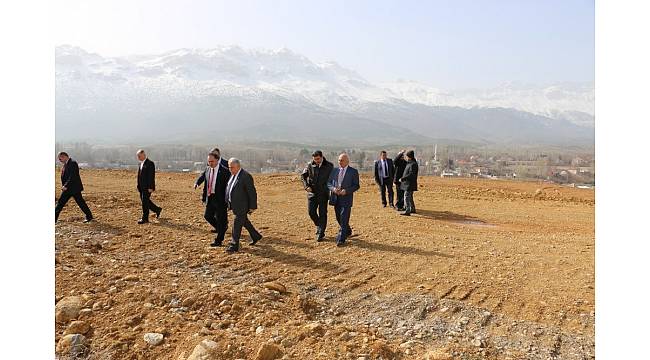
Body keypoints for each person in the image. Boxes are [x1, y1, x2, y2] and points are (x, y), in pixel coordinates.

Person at [224, 158, 262, 253]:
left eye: (232, 167)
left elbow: (252, 192)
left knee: (236, 224)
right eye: (229, 167)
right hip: (235, 205)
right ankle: (256, 236)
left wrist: (253, 206)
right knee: (244, 221)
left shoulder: (245, 176)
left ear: (238, 166)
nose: (230, 169)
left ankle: (234, 245)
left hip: (242, 206)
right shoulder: (233, 175)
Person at [194, 152, 231, 246]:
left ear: (217, 160)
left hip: (221, 199)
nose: (210, 163)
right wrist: (197, 183)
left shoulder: (225, 171)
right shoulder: (207, 169)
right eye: (208, 161)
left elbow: (230, 186)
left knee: (221, 219)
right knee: (207, 216)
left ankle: (219, 240)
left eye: (212, 161)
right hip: (210, 197)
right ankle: (221, 228)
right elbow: (203, 178)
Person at [327, 153, 360, 247]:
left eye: (341, 160)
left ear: (347, 161)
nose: (339, 162)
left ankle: (341, 239)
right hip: (336, 198)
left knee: (344, 218)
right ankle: (348, 230)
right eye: (339, 160)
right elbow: (328, 183)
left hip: (346, 198)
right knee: (338, 217)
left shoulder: (353, 171)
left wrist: (346, 191)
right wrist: (333, 189)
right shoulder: (334, 171)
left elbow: (356, 185)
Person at [301, 150, 334, 241]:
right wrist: (306, 186)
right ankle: (319, 226)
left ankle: (321, 232)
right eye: (315, 159)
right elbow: (303, 176)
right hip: (312, 193)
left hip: (324, 194)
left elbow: (333, 179)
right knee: (311, 212)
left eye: (318, 159)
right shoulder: (310, 165)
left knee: (323, 213)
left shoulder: (329, 166)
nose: (316, 161)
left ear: (322, 156)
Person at [55, 152, 93, 223]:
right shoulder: (66, 164)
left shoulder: (73, 163)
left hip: (73, 188)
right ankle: (89, 216)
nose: (60, 160)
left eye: (60, 159)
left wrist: (65, 186)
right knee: (61, 203)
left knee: (79, 203)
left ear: (64, 156)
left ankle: (89, 216)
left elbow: (72, 176)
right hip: (69, 189)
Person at [136, 149, 162, 224]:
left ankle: (145, 218)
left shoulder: (150, 163)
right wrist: (138, 185)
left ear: (143, 155)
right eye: (137, 156)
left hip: (147, 187)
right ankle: (157, 210)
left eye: (139, 156)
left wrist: (151, 187)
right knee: (146, 201)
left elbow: (151, 176)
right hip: (141, 187)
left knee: (145, 202)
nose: (138, 158)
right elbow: (139, 176)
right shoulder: (140, 163)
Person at [399, 150, 419, 216]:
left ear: (409, 157)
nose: (406, 158)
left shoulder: (413, 164)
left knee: (406, 196)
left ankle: (407, 211)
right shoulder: (410, 163)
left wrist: (403, 178)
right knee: (410, 197)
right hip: (408, 183)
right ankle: (412, 209)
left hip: (409, 184)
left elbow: (411, 174)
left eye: (407, 156)